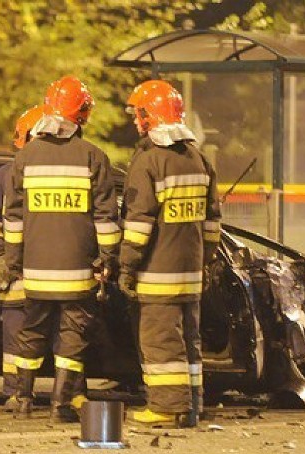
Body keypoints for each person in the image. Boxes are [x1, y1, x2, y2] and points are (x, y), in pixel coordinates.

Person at [4, 76, 120, 422]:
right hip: (77, 275)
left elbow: (13, 219)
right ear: (83, 114)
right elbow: (106, 221)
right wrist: (108, 260)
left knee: (30, 334)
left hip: (36, 274)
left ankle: (23, 402)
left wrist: (12, 264)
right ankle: (59, 407)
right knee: (72, 339)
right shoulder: (93, 158)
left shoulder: (25, 158)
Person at [118, 80, 221, 428]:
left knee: (161, 344)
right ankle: (192, 406)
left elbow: (138, 226)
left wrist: (126, 268)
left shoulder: (149, 162)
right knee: (189, 344)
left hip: (157, 275)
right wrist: (203, 262)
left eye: (139, 114)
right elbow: (212, 225)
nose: (136, 122)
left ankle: (164, 407)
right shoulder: (198, 159)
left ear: (150, 117)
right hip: (190, 275)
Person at [0, 105, 43, 411]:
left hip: (38, 273)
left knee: (38, 337)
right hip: (22, 275)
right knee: (19, 337)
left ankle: (28, 394)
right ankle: (18, 393)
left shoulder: (20, 175)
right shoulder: (4, 177)